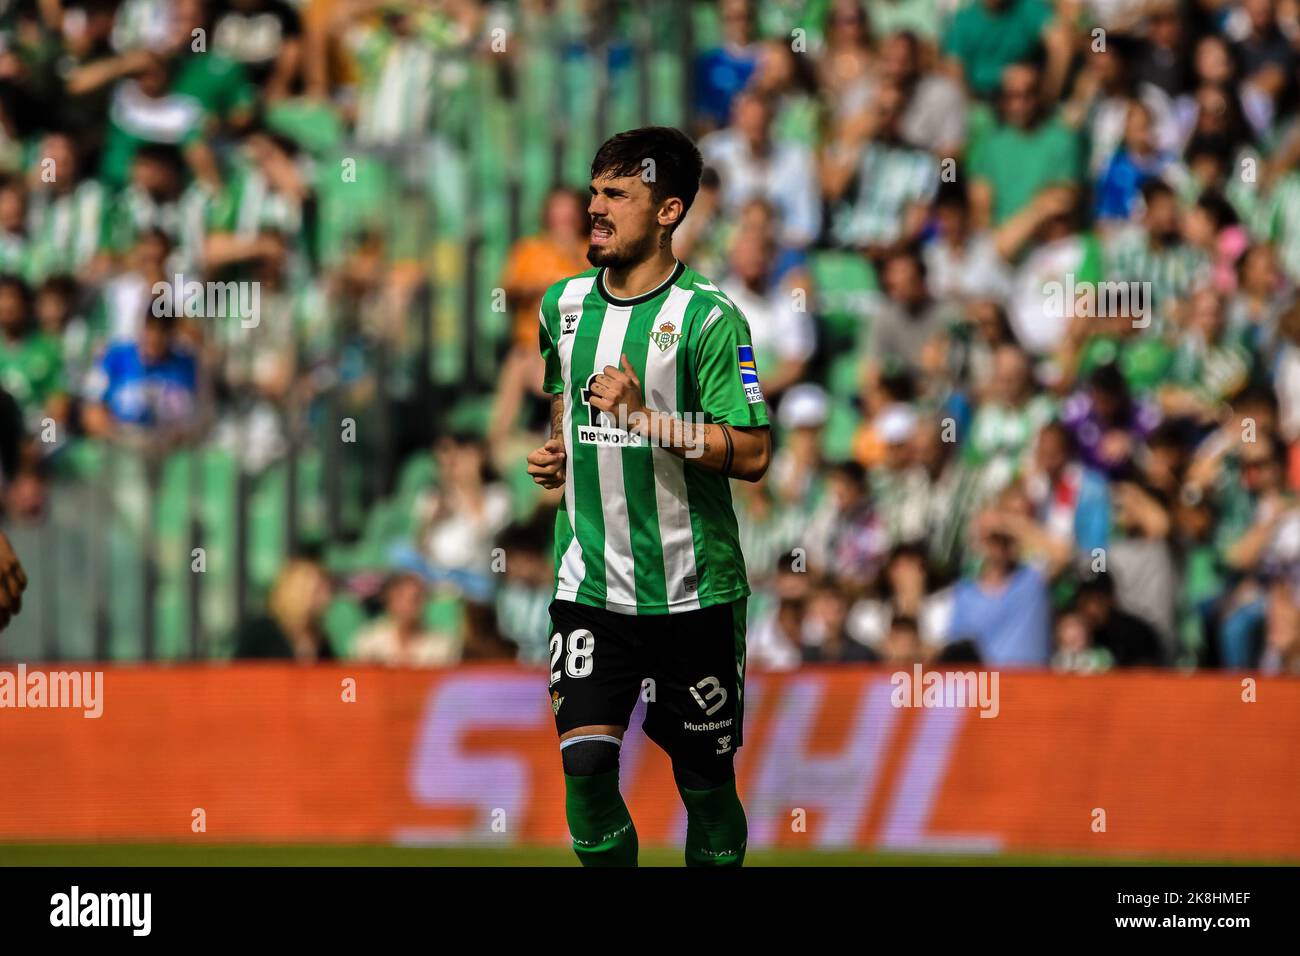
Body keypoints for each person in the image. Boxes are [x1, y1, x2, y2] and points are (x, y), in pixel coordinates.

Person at [525, 126, 771, 868]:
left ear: (667, 211)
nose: (594, 208)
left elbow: (754, 452)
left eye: (617, 195)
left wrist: (644, 419)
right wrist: (560, 451)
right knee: (588, 771)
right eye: (594, 191)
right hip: (591, 585)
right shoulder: (561, 306)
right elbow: (564, 400)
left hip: (693, 593)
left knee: (705, 788)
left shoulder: (708, 318)